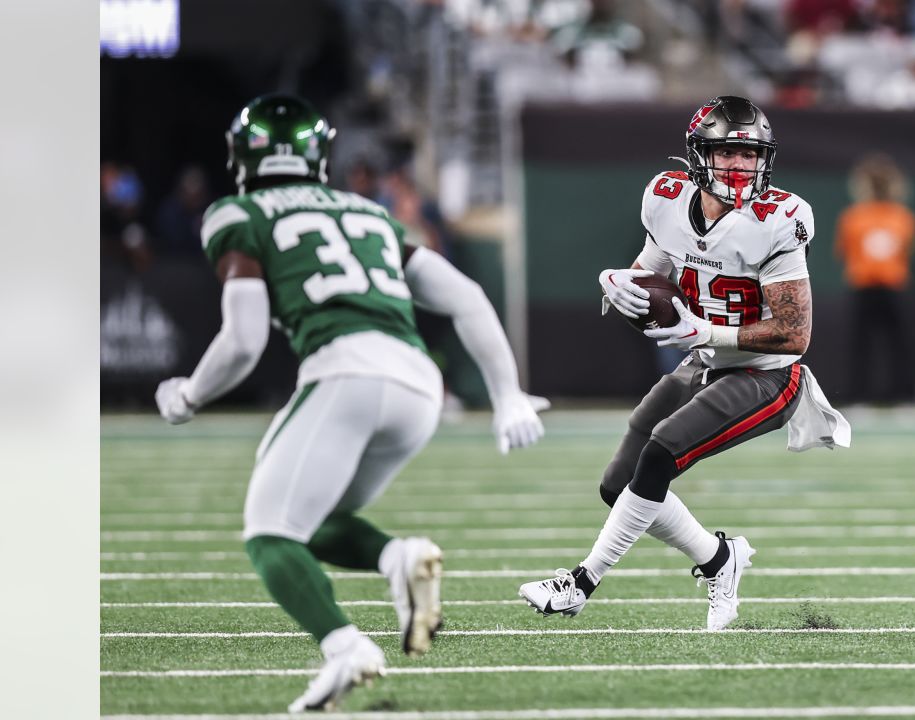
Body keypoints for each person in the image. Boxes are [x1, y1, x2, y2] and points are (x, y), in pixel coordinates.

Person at [152, 94, 545, 712]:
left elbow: (243, 340)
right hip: (416, 385)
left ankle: (345, 649)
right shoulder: (368, 213)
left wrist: (188, 394)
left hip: (345, 372)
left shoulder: (238, 212)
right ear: (319, 153)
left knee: (269, 535)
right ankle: (399, 558)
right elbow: (466, 294)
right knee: (314, 520)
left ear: (243, 156)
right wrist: (506, 395)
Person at [518, 96, 848, 631]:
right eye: (728, 153)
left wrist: (706, 330)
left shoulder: (781, 218)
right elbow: (651, 280)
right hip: (705, 361)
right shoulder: (666, 199)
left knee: (661, 452)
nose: (741, 167)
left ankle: (580, 583)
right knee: (618, 483)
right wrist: (619, 288)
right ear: (698, 155)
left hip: (765, 374)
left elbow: (795, 333)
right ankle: (720, 560)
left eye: (751, 155)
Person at [833, 153, 915, 404]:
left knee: (875, 344)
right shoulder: (900, 216)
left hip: (879, 286)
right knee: (884, 344)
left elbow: (843, 252)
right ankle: (899, 395)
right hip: (877, 286)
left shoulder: (856, 217)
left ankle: (870, 395)